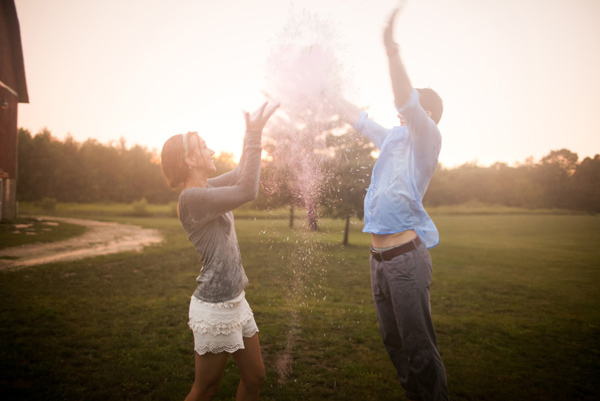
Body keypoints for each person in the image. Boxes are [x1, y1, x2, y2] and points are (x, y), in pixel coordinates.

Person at [334, 8, 449, 401]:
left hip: (405, 261)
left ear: (426, 115)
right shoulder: (392, 140)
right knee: (394, 346)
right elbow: (358, 119)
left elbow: (406, 98)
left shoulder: (427, 140)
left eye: (412, 108)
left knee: (419, 351)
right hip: (377, 261)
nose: (401, 110)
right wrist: (328, 93)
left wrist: (391, 51)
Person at [160, 102, 279, 401]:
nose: (211, 151)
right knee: (206, 389)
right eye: (203, 147)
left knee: (255, 377)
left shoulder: (207, 188)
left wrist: (253, 137)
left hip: (236, 300)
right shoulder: (191, 200)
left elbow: (242, 173)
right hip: (214, 306)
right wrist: (253, 138)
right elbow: (246, 190)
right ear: (188, 159)